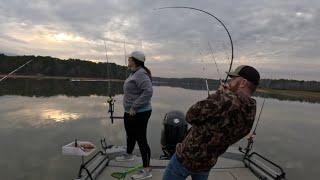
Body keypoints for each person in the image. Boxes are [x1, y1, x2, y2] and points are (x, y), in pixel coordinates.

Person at [163, 65, 260, 180]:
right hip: (208, 162)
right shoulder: (251, 109)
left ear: (243, 82)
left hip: (186, 159)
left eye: (233, 79)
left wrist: (219, 94)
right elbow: (233, 130)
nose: (230, 81)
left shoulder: (223, 99)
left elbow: (190, 116)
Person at [115, 51, 153, 180]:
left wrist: (135, 106)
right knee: (130, 134)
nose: (128, 60)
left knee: (141, 139)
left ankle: (147, 170)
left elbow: (148, 92)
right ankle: (129, 154)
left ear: (135, 60)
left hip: (140, 112)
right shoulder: (134, 73)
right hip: (130, 112)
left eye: (130, 59)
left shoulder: (141, 74)